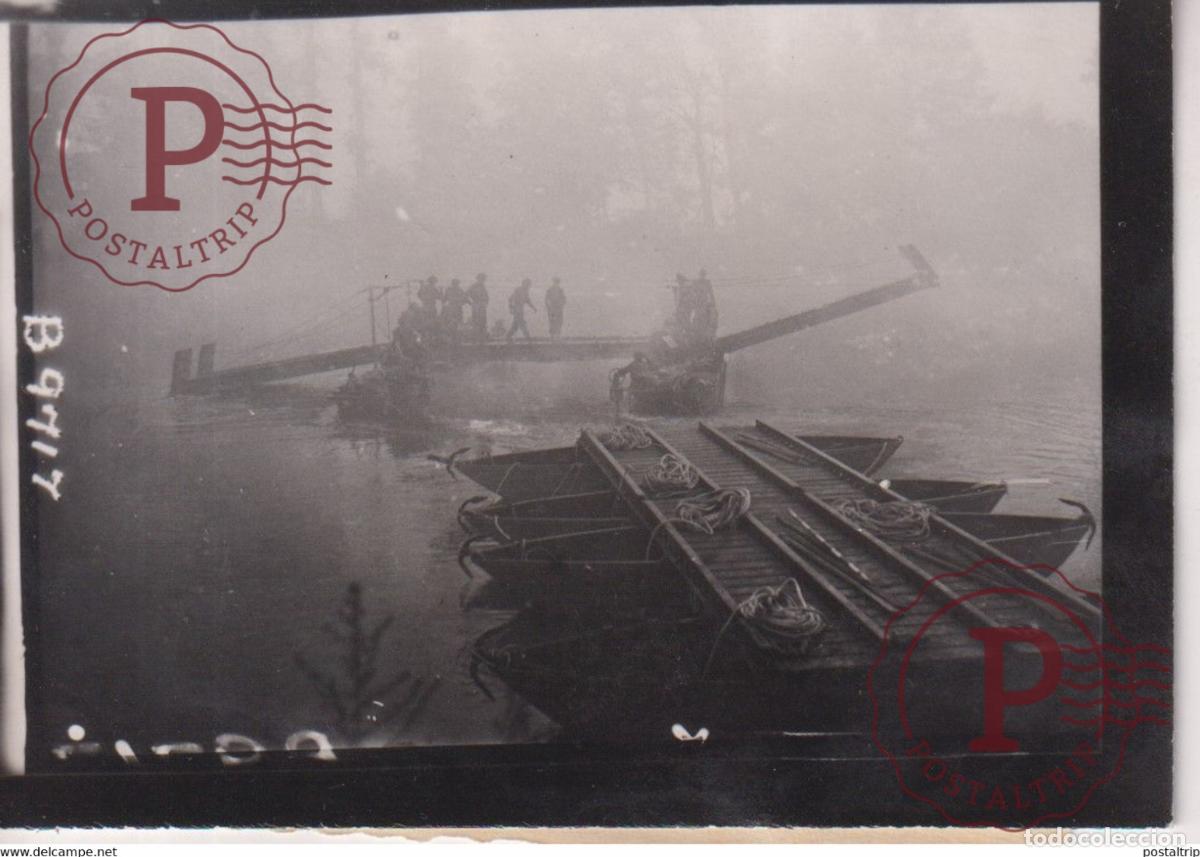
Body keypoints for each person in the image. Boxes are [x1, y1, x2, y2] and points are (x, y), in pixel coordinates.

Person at [467, 273, 490, 342]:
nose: (483, 280)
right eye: (482, 278)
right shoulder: (474, 286)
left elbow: (486, 296)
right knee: (476, 321)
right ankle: (475, 337)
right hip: (477, 305)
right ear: (479, 279)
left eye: (484, 279)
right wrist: (471, 302)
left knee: (482, 321)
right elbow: (467, 294)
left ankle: (481, 337)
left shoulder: (482, 286)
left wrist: (486, 301)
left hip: (481, 305)